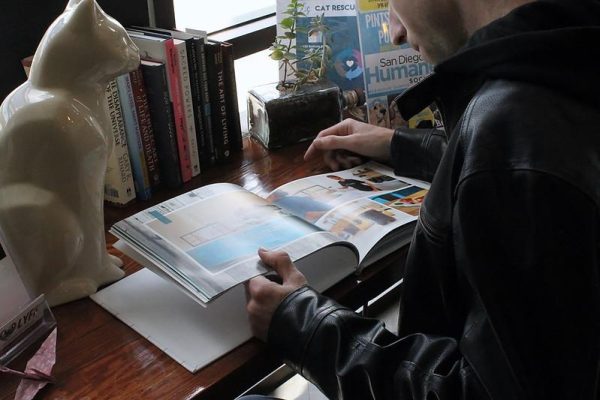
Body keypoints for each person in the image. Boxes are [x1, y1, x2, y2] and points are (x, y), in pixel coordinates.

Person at [244, 0, 600, 398]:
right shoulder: (569, 59)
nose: (395, 31)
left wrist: (306, 327)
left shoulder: (516, 128)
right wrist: (398, 144)